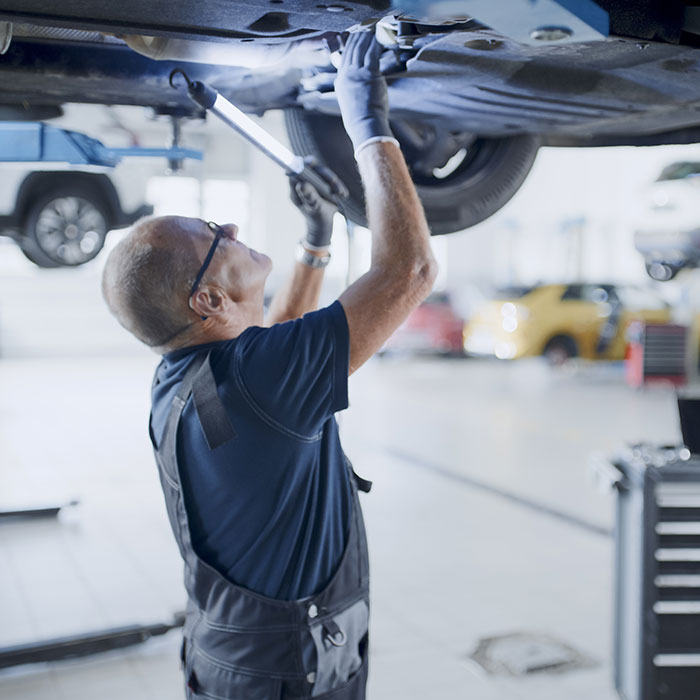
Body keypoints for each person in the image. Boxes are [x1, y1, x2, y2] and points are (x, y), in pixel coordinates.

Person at [102, 29, 437, 700]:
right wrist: (368, 121)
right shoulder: (255, 381)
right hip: (281, 669)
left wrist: (316, 242)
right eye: (210, 236)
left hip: (237, 656)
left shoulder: (189, 380)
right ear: (207, 298)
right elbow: (410, 271)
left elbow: (274, 350)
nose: (226, 227)